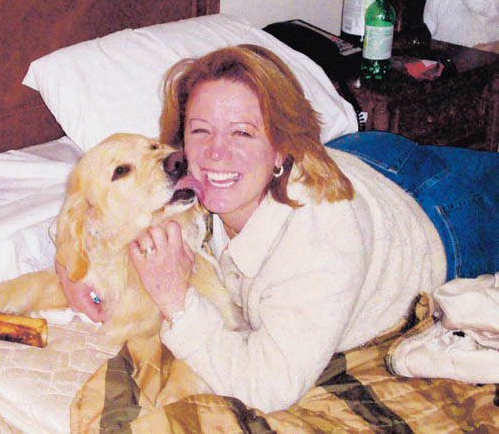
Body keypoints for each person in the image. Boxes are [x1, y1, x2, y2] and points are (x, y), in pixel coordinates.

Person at [126, 44, 499, 413]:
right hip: (366, 156)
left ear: (281, 149)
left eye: (242, 133)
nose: (215, 152)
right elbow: (111, 227)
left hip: (445, 221)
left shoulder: (320, 242)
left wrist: (177, 302)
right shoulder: (194, 187)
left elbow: (268, 388)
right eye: (200, 130)